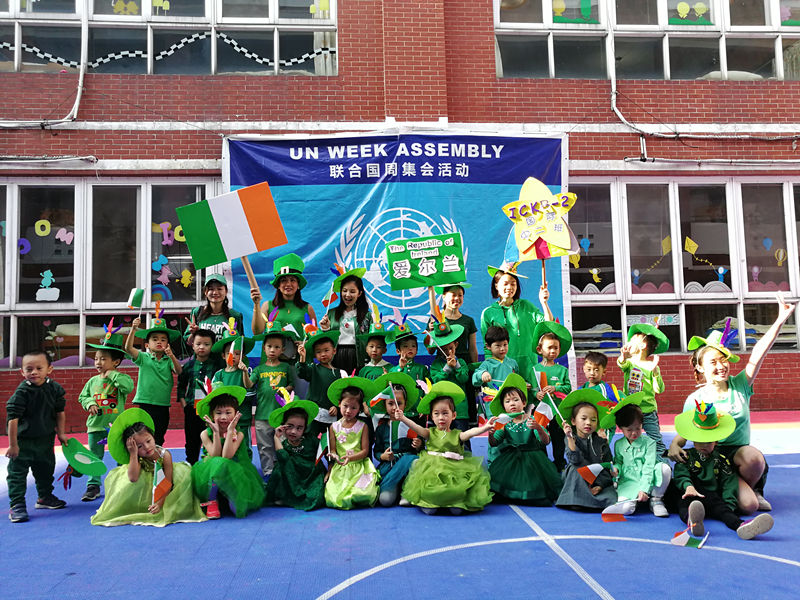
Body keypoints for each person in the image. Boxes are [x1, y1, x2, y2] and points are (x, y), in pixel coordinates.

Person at [669, 296, 796, 513]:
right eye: (713, 362)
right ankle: (724, 491)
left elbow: (758, 353)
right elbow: (686, 433)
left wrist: (781, 319)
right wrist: (674, 445)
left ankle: (753, 488)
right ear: (700, 368)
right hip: (711, 458)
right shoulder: (695, 400)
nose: (721, 366)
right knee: (749, 507)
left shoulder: (740, 385)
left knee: (753, 460)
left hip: (739, 456)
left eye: (723, 360)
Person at [672, 402, 774, 540]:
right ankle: (693, 521)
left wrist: (729, 504)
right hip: (689, 493)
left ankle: (741, 526)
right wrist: (688, 487)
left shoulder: (721, 460)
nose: (704, 445)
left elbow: (729, 482)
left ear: (716, 442)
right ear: (693, 440)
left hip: (711, 497)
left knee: (723, 510)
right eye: (700, 441)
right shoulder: (686, 456)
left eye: (709, 442)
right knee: (683, 504)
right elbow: (680, 474)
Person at [91, 408, 206, 527]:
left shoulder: (164, 455)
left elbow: (168, 482)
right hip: (146, 482)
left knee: (185, 479)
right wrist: (133, 454)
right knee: (124, 484)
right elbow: (133, 478)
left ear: (153, 437)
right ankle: (139, 507)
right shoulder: (137, 457)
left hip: (164, 482)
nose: (147, 447)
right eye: (139, 446)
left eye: (148, 441)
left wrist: (160, 503)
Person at [398, 381, 495, 514]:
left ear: (453, 415)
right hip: (432, 470)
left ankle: (452, 501)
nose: (441, 417)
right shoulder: (429, 433)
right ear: (432, 416)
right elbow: (416, 427)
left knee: (456, 510)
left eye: (445, 413)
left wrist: (485, 427)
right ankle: (430, 501)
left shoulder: (457, 435)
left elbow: (470, 433)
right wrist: (403, 418)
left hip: (454, 471)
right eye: (436, 414)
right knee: (430, 510)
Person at [6, 350, 69, 523]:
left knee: (46, 469)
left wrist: (61, 433)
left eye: (39, 368)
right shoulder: (22, 393)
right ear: (22, 372)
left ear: (49, 369)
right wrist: (13, 445)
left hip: (45, 439)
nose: (34, 372)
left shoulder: (54, 389)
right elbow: (13, 419)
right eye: (29, 369)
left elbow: (60, 412)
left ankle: (44, 497)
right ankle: (17, 504)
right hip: (23, 441)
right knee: (17, 473)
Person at [78, 323, 135, 501]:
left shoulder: (121, 378)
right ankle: (93, 485)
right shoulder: (92, 381)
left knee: (120, 454)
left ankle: (121, 481)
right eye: (96, 359)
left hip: (116, 427)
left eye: (103, 359)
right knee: (95, 456)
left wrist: (112, 374)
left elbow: (128, 387)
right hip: (95, 426)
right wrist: (89, 404)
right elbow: (83, 396)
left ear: (116, 362)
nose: (98, 362)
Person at [191, 384, 265, 519]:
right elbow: (216, 456)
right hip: (212, 472)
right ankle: (212, 502)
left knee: (236, 510)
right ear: (212, 415)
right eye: (218, 413)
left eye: (228, 412)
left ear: (236, 414)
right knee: (217, 463)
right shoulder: (205, 434)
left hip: (235, 470)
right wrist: (216, 433)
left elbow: (227, 456)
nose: (223, 417)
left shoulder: (239, 434)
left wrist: (230, 432)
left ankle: (229, 496)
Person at [487, 373, 562, 505]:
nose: (512, 403)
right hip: (511, 459)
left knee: (535, 488)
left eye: (515, 400)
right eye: (507, 401)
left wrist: (538, 428)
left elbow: (545, 441)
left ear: (524, 403)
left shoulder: (532, 420)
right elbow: (494, 443)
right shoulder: (505, 423)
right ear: (504, 406)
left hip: (533, 459)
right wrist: (491, 434)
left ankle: (528, 495)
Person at [601, 394, 671, 517]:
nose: (634, 433)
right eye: (629, 430)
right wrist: (616, 469)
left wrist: (644, 489)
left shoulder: (650, 443)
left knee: (664, 468)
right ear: (620, 428)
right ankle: (629, 500)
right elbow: (619, 462)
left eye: (638, 428)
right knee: (627, 509)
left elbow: (648, 467)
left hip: (649, 480)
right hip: (629, 481)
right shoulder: (619, 444)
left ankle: (656, 499)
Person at [480, 262, 553, 379]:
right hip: (503, 368)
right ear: (496, 285)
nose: (510, 287)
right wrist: (492, 369)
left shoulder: (527, 306)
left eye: (513, 284)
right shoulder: (488, 313)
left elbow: (548, 324)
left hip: (529, 367)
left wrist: (544, 303)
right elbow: (487, 347)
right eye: (505, 283)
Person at [124, 310, 182, 446]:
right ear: (147, 345)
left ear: (168, 344)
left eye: (163, 339)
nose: (159, 342)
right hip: (145, 403)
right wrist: (133, 329)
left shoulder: (169, 360)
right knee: (143, 436)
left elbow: (179, 371)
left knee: (159, 436)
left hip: (163, 405)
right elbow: (128, 348)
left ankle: (158, 458)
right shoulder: (143, 357)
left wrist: (172, 355)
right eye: (154, 339)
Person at [555, 389, 616, 511]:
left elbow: (607, 466)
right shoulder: (570, 438)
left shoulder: (601, 442)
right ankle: (580, 499)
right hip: (579, 477)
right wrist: (569, 437)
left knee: (613, 497)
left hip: (597, 479)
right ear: (573, 421)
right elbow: (575, 460)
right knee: (575, 469)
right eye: (583, 418)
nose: (588, 423)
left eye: (593, 420)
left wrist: (600, 485)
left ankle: (585, 499)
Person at [264, 391, 326, 511]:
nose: (293, 431)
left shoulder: (311, 440)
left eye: (299, 428)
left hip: (310, 476)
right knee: (279, 468)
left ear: (305, 428)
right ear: (283, 425)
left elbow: (324, 448)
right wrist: (276, 437)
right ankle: (285, 496)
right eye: (290, 426)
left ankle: (296, 497)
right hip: (292, 479)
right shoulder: (284, 444)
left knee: (316, 496)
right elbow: (282, 457)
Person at [324, 377, 380, 509]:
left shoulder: (363, 426)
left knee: (365, 494)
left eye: (353, 407)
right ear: (339, 404)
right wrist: (334, 456)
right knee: (333, 497)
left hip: (358, 466)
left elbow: (365, 451)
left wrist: (351, 458)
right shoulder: (333, 427)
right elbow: (333, 449)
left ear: (359, 408)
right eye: (345, 406)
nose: (348, 411)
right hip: (341, 467)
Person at [251, 319, 296, 478]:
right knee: (264, 447)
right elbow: (249, 384)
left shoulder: (286, 367)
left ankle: (282, 473)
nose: (272, 350)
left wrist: (284, 390)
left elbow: (292, 385)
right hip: (262, 415)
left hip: (281, 415)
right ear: (264, 348)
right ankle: (268, 474)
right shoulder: (258, 369)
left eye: (277, 347)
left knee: (282, 445)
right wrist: (243, 371)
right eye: (269, 346)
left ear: (282, 349)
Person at [252, 253, 316, 364]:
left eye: (292, 280)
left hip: (299, 364)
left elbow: (315, 339)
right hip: (272, 366)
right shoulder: (267, 306)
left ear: (298, 284)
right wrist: (256, 304)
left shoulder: (308, 308)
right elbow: (257, 332)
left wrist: (305, 344)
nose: (288, 284)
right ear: (278, 285)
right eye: (284, 280)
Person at [370, 372, 423, 506]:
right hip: (390, 467)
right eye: (390, 403)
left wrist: (418, 445)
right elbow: (376, 451)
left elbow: (421, 447)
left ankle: (407, 490)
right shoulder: (381, 428)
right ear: (385, 405)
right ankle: (393, 486)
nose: (395, 407)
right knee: (385, 500)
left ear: (405, 404)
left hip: (408, 465)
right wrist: (382, 456)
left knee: (415, 461)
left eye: (399, 403)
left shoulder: (411, 424)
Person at [617, 323, 669, 459]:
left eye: (632, 339)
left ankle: (661, 463)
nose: (628, 342)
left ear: (642, 345)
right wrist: (623, 356)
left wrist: (655, 372)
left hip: (648, 410)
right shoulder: (630, 363)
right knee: (631, 438)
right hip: (631, 409)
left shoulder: (651, 366)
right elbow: (621, 364)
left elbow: (659, 389)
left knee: (656, 439)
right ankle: (632, 461)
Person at [176, 328, 224, 465]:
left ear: (212, 346)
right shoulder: (188, 366)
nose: (202, 347)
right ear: (193, 345)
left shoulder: (217, 365)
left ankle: (211, 466)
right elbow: (181, 386)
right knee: (192, 440)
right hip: (192, 409)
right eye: (198, 344)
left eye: (206, 344)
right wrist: (185, 405)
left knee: (212, 438)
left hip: (211, 410)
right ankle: (191, 466)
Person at [531, 321, 572, 472]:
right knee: (540, 438)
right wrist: (536, 394)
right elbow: (531, 389)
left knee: (558, 439)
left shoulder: (562, 370)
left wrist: (556, 388)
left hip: (557, 412)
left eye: (556, 348)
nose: (553, 351)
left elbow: (568, 388)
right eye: (549, 347)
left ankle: (559, 463)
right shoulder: (534, 369)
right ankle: (543, 464)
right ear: (539, 349)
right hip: (540, 410)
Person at [211, 325, 256, 454]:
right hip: (224, 420)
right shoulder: (219, 374)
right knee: (225, 446)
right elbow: (214, 395)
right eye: (230, 353)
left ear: (242, 356)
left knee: (245, 447)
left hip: (243, 418)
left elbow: (251, 392)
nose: (234, 356)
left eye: (237, 353)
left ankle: (246, 464)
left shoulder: (246, 373)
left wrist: (244, 373)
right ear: (223, 356)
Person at [319, 268, 372, 374]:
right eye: (344, 291)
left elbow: (371, 339)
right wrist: (326, 329)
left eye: (352, 291)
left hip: (358, 356)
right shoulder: (331, 313)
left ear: (359, 293)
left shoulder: (367, 316)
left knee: (355, 382)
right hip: (336, 355)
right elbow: (325, 341)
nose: (347, 295)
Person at [428, 320, 470, 435]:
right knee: (444, 439)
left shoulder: (461, 362)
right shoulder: (436, 365)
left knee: (462, 439)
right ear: (438, 349)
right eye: (444, 349)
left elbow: (464, 378)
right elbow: (436, 381)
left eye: (451, 348)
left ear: (456, 345)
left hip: (460, 410)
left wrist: (456, 366)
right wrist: (447, 368)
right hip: (443, 412)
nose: (448, 352)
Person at [297, 329, 341, 435]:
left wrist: (337, 407)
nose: (323, 354)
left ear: (334, 351)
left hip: (331, 415)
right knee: (310, 438)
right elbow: (302, 373)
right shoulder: (313, 369)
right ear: (314, 354)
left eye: (326, 350)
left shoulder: (340, 373)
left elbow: (342, 394)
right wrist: (302, 357)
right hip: (313, 414)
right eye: (318, 352)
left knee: (330, 440)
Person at [472, 326, 521, 420]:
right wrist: (482, 374)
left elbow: (517, 380)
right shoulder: (486, 364)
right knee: (495, 427)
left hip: (511, 407)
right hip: (493, 407)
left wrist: (522, 384)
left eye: (505, 344)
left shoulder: (513, 363)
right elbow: (475, 379)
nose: (502, 348)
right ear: (488, 346)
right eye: (498, 346)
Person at [183, 273, 243, 346]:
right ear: (205, 292)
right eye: (211, 289)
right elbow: (189, 343)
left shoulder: (234, 315)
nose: (215, 292)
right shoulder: (197, 312)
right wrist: (194, 333)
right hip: (201, 354)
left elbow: (239, 344)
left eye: (219, 289)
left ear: (226, 291)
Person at [580, 351, 618, 440]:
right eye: (589, 369)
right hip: (589, 425)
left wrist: (602, 428)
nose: (592, 373)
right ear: (584, 369)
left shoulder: (604, 389)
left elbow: (611, 408)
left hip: (603, 426)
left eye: (596, 370)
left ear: (604, 372)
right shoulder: (582, 389)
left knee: (602, 446)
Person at [390, 325, 429, 392]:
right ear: (398, 351)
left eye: (413, 346)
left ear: (416, 350)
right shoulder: (393, 370)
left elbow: (429, 387)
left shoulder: (422, 369)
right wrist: (400, 367)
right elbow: (392, 382)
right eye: (405, 346)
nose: (410, 348)